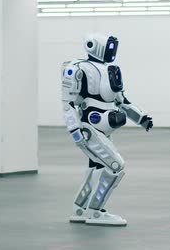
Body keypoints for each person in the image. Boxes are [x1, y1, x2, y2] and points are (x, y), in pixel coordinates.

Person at [60, 33, 153, 226]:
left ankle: (80, 208)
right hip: (88, 128)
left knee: (97, 166)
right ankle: (95, 211)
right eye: (109, 48)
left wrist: (141, 117)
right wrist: (74, 129)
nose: (112, 52)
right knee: (115, 166)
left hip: (105, 128)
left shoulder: (111, 70)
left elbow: (122, 102)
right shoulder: (79, 69)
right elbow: (68, 103)